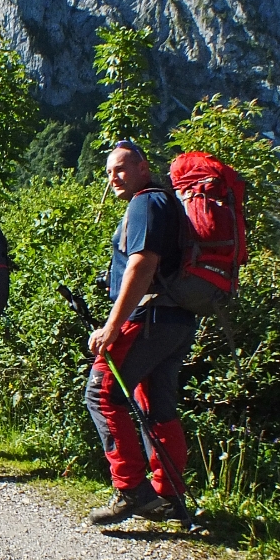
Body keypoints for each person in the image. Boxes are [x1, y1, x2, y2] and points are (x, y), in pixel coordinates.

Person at [85, 139, 196, 525]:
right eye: (109, 172)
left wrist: (112, 327)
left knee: (101, 393)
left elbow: (142, 265)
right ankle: (169, 494)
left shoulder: (145, 202)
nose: (114, 177)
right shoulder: (168, 202)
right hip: (177, 320)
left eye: (121, 168)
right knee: (156, 405)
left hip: (148, 319)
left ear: (143, 167)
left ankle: (131, 490)